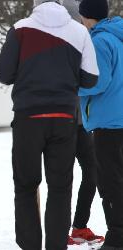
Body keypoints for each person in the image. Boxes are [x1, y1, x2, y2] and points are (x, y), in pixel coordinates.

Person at [0, 0, 99, 249]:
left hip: (28, 119)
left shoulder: (20, 28)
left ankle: (30, 245)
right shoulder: (79, 31)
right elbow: (91, 79)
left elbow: (4, 74)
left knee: (26, 185)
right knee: (60, 188)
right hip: (64, 119)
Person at [78, 0, 123, 249]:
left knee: (110, 182)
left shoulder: (100, 41)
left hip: (108, 122)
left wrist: (73, 84)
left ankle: (117, 237)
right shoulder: (118, 35)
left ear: (86, 16)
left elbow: (98, 82)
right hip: (120, 117)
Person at [60, 0, 105, 246]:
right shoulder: (59, 43)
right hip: (61, 120)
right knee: (62, 177)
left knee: (93, 172)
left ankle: (79, 226)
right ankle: (58, 230)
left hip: (82, 122)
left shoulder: (87, 41)